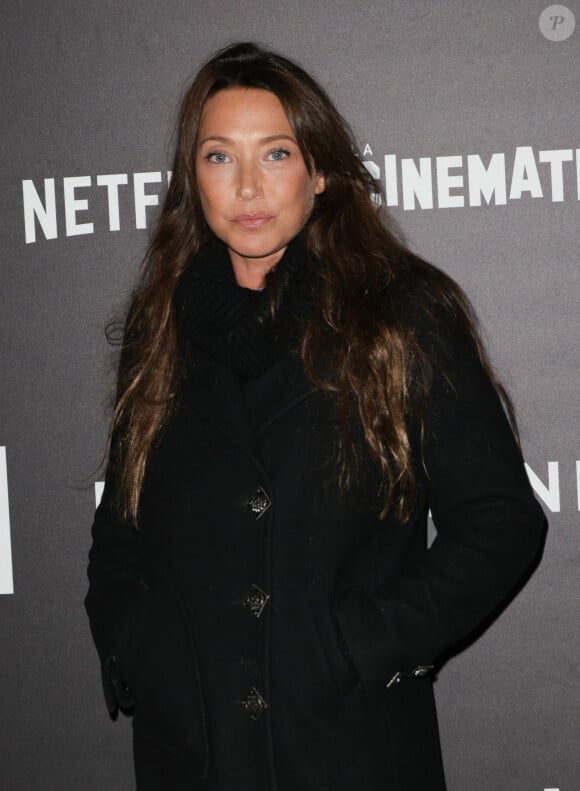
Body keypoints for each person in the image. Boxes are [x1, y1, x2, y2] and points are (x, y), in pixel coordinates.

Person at [84, 42, 546, 791]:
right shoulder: (159, 328)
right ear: (191, 179)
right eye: (218, 157)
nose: (247, 186)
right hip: (195, 753)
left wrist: (356, 646)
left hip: (349, 743)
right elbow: (123, 526)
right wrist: (139, 648)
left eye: (275, 153)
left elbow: (502, 520)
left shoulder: (400, 316)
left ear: (320, 172)